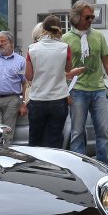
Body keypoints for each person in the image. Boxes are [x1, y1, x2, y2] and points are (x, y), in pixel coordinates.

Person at [63, 1, 108, 161]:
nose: (91, 20)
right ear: (76, 17)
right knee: (77, 132)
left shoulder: (98, 36)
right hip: (77, 90)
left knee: (102, 131)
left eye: (92, 17)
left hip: (98, 89)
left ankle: (103, 166)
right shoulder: (65, 39)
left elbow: (106, 61)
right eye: (87, 17)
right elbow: (61, 67)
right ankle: (80, 166)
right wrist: (64, 90)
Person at [26, 15, 79, 148]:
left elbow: (29, 76)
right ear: (59, 30)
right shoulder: (65, 48)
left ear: (43, 29)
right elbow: (68, 69)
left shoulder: (32, 49)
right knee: (55, 140)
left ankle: (35, 161)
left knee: (35, 140)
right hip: (58, 99)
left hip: (37, 99)